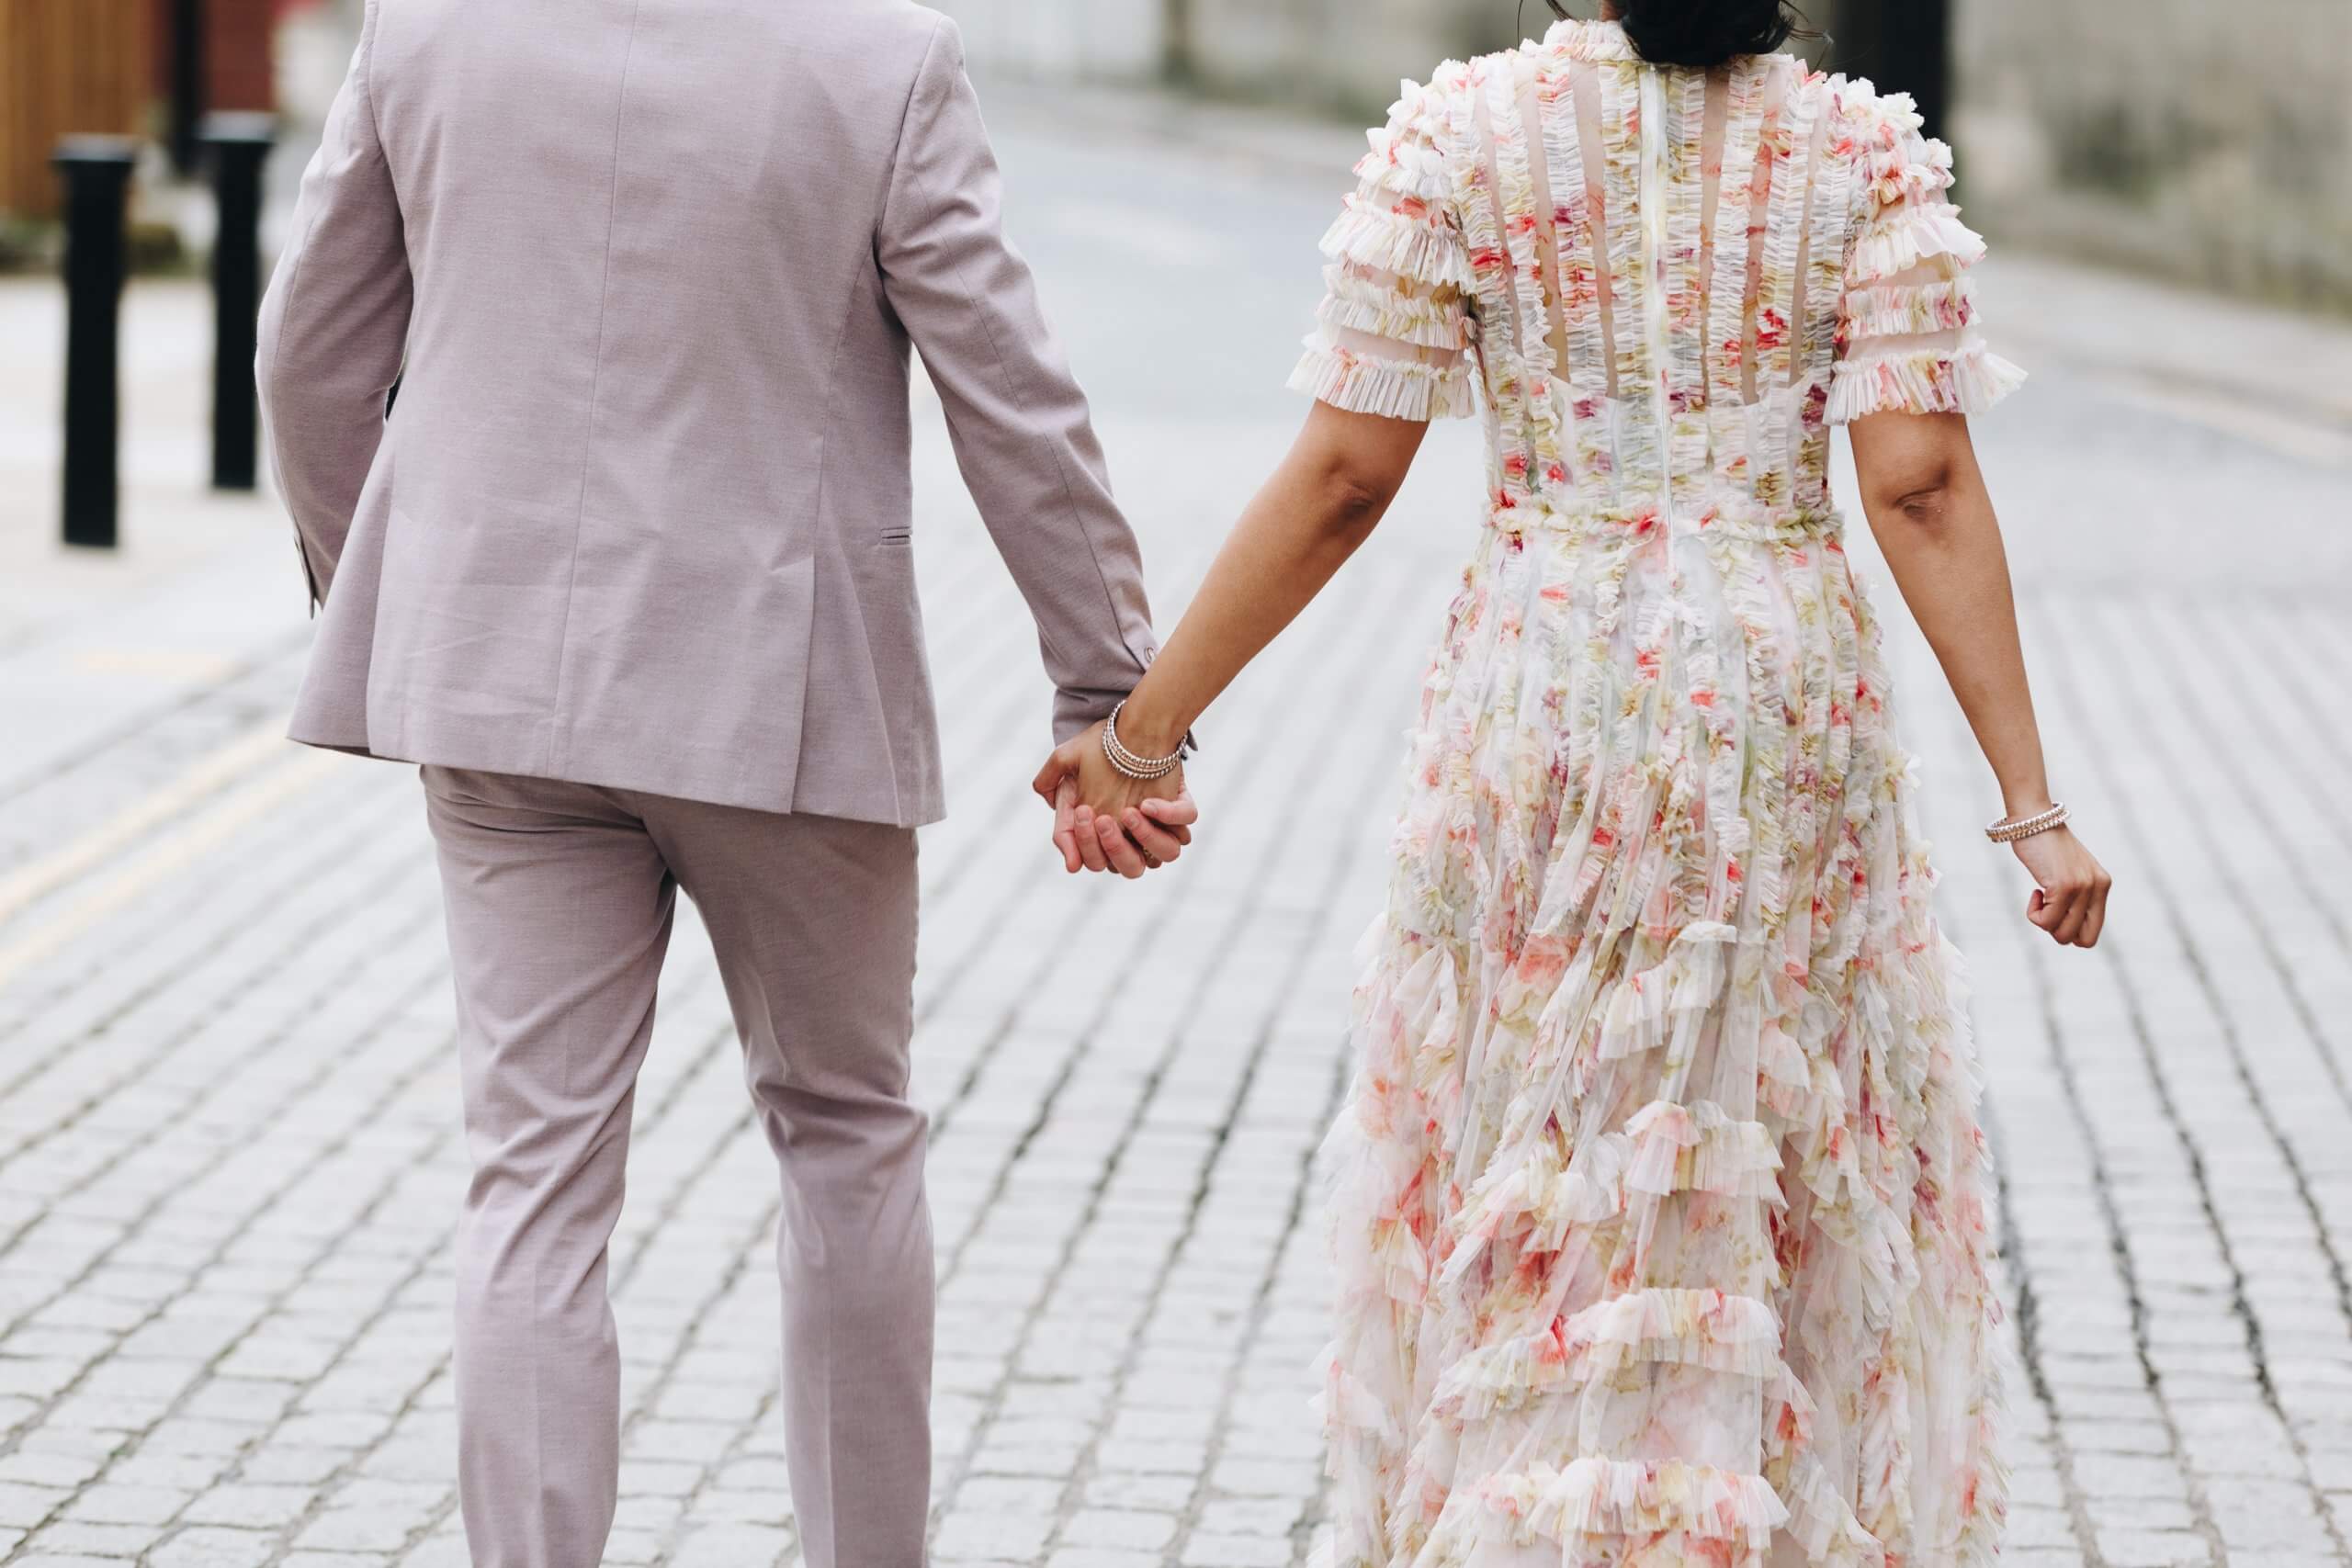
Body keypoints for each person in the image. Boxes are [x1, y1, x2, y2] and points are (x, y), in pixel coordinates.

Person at [1033, 0, 2113, 1562]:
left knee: (1546, 1119)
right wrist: (2032, 804)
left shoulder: (1462, 139)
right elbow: (1921, 483)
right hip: (1778, 711)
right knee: (1768, 1129)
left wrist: (1139, 737)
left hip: (1551, 686)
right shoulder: (1857, 153)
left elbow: (1344, 477)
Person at [254, 1, 1195, 1562]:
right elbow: (1013, 395)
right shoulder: (880, 58)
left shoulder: (428, 29)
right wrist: (1110, 694)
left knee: (533, 1179)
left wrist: (408, 598)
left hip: (507, 704)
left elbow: (308, 354)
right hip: (789, 694)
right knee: (843, 1129)